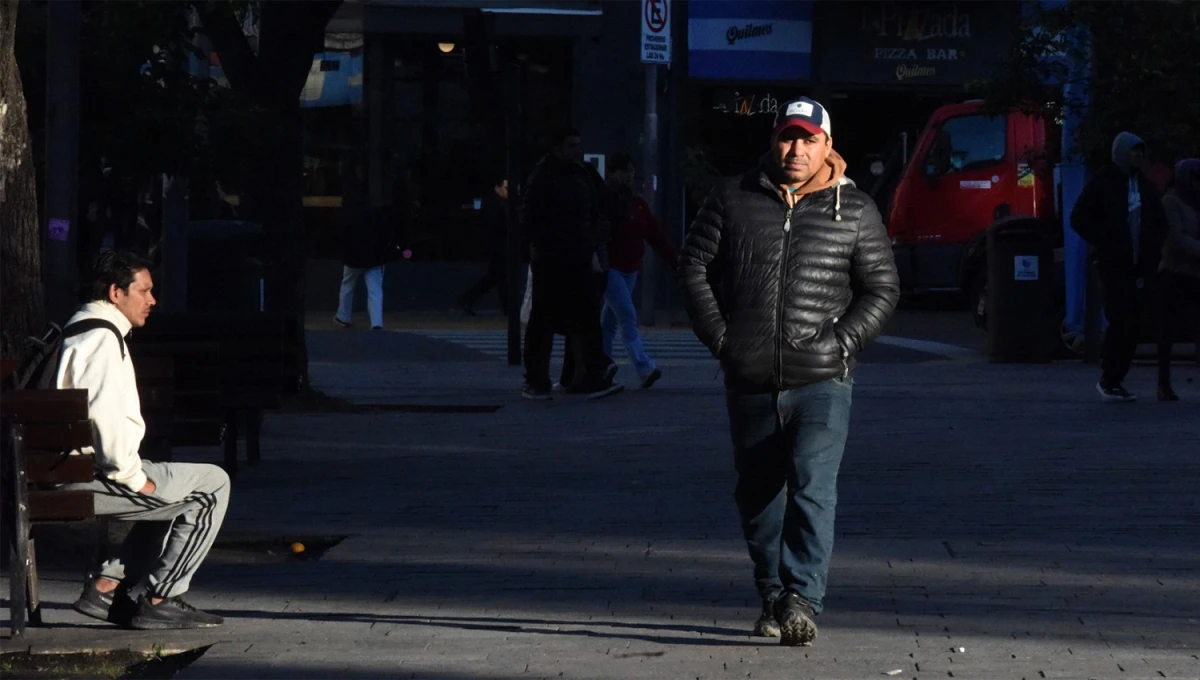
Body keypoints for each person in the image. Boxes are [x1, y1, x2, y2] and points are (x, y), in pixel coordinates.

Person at [678, 98, 899, 647]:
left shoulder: (857, 209)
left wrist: (842, 342)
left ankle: (803, 598)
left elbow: (883, 288)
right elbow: (694, 267)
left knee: (812, 487)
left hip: (822, 378)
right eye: (787, 138)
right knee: (758, 497)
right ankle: (773, 594)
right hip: (749, 375)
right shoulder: (732, 197)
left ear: (828, 146)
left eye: (808, 140)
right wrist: (723, 342)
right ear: (774, 140)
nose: (796, 150)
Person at [58, 251, 229, 630]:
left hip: (68, 469)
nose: (152, 300)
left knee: (176, 484)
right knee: (212, 486)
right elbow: (104, 419)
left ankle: (105, 588)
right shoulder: (101, 340)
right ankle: (161, 598)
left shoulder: (81, 328)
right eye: (145, 290)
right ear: (116, 292)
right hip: (82, 477)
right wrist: (136, 479)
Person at [521, 129, 621, 400]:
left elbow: (603, 206)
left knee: (586, 319)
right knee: (543, 321)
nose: (577, 150)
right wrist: (543, 247)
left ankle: (589, 377)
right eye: (571, 146)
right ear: (556, 148)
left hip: (578, 257)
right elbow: (531, 218)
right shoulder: (544, 176)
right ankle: (537, 380)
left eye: (578, 145)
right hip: (552, 260)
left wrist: (593, 239)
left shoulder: (583, 173)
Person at [1070, 132, 1168, 402]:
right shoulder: (1104, 182)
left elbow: (1159, 222)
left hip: (1140, 266)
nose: (1138, 157)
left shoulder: (1144, 186)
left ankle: (1115, 378)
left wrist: (1153, 250)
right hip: (1114, 264)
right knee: (1120, 319)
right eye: (1134, 152)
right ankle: (1110, 378)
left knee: (1133, 322)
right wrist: (1106, 241)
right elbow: (1079, 217)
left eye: (1141, 152)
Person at [601, 153, 677, 389]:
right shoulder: (606, 201)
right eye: (624, 170)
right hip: (610, 267)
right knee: (627, 316)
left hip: (630, 269)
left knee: (608, 323)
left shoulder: (638, 204)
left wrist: (676, 262)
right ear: (612, 174)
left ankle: (602, 367)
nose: (629, 175)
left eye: (632, 170)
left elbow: (656, 236)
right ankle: (644, 368)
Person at [334, 164, 398, 330]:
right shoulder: (373, 211)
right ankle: (376, 322)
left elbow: (342, 236)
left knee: (347, 285)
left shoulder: (347, 213)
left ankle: (343, 316)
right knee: (375, 290)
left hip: (353, 257)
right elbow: (385, 231)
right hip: (375, 257)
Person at [1156, 158, 1200, 401]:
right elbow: (1175, 238)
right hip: (1175, 274)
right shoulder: (1171, 201)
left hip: (1195, 274)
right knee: (1168, 331)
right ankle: (1163, 382)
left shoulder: (1197, 204)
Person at [459, 176, 510, 316]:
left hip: (498, 245)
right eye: (506, 188)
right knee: (500, 277)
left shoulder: (498, 202)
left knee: (495, 277)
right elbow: (493, 226)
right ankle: (508, 309)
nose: (508, 192)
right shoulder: (493, 203)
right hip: (496, 245)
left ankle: (467, 298)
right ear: (498, 187)